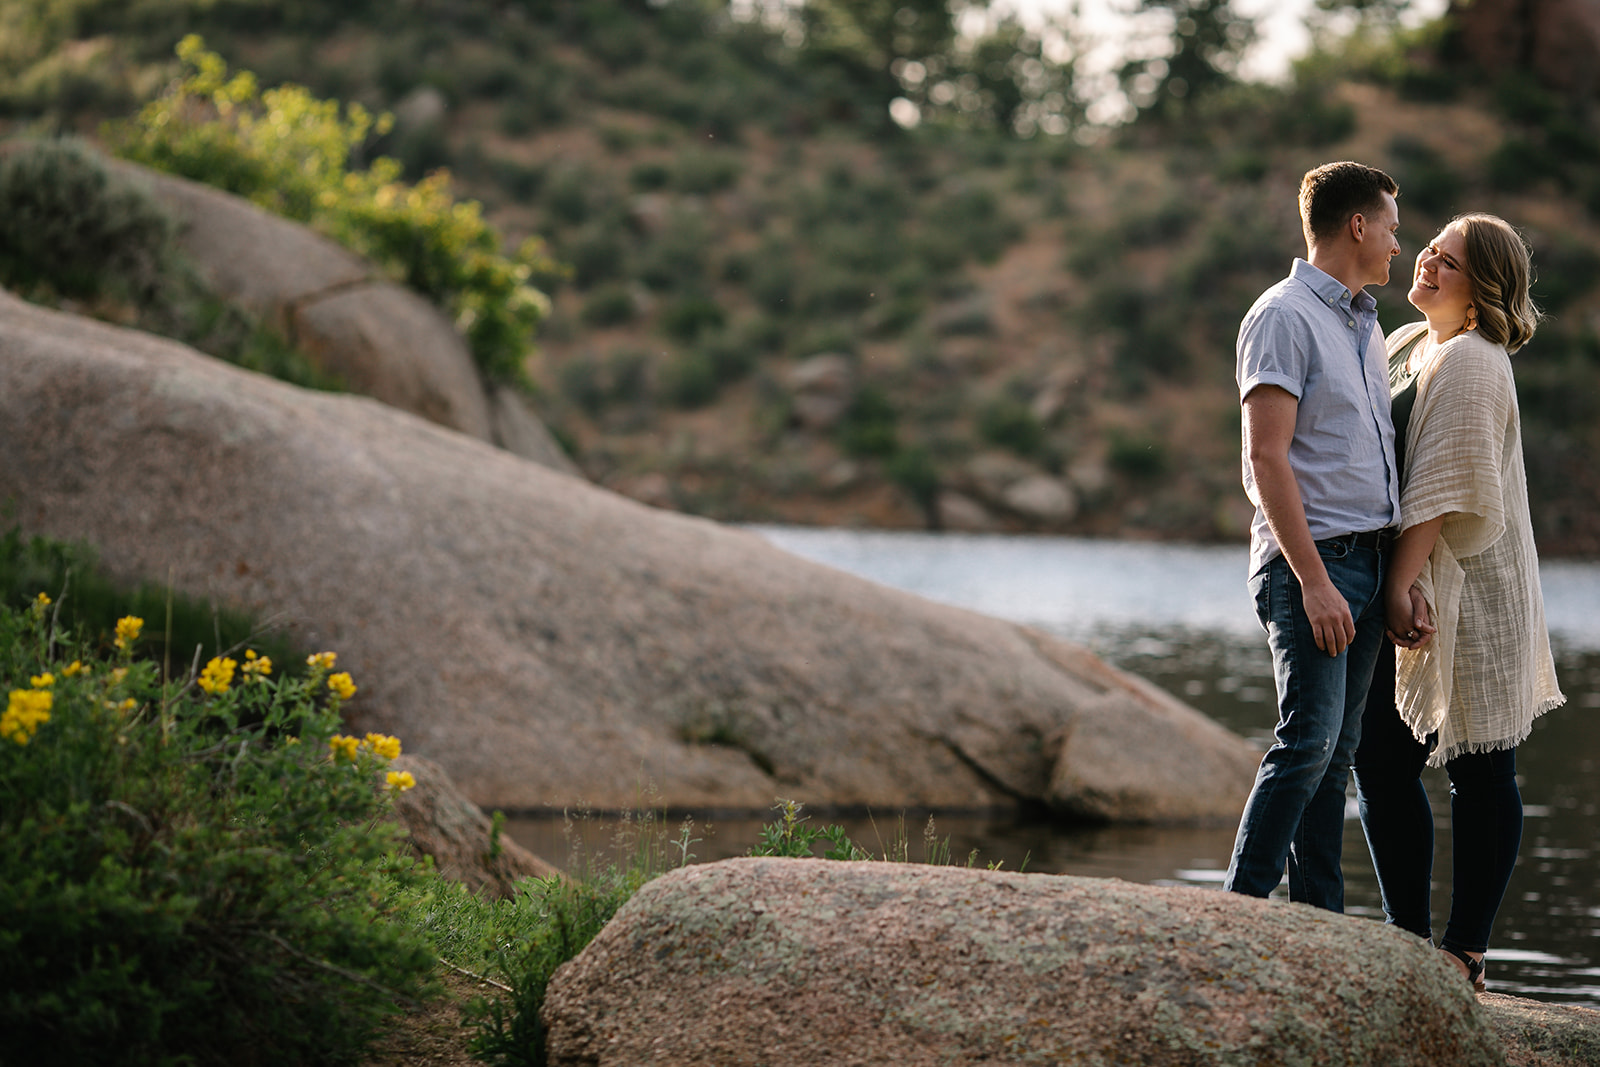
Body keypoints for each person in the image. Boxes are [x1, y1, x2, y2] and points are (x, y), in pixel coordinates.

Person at [1354, 213, 1565, 991]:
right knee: (1380, 761)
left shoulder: (1475, 359)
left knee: (1480, 765)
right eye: (1432, 251)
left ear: (1482, 290)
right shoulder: (1412, 343)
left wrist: (1400, 586)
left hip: (1472, 588)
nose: (1429, 265)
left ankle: (1464, 949)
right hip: (1410, 579)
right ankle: (1409, 943)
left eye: (1450, 262)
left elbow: (1445, 488)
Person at [1223, 161, 1403, 911]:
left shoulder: (1367, 325)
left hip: (1366, 560)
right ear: (1357, 225)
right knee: (1307, 743)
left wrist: (1397, 576)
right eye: (1392, 226)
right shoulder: (1283, 314)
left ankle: (1318, 927)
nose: (1399, 243)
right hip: (1315, 566)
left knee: (1335, 759)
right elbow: (1266, 456)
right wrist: (1315, 580)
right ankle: (1234, 915)